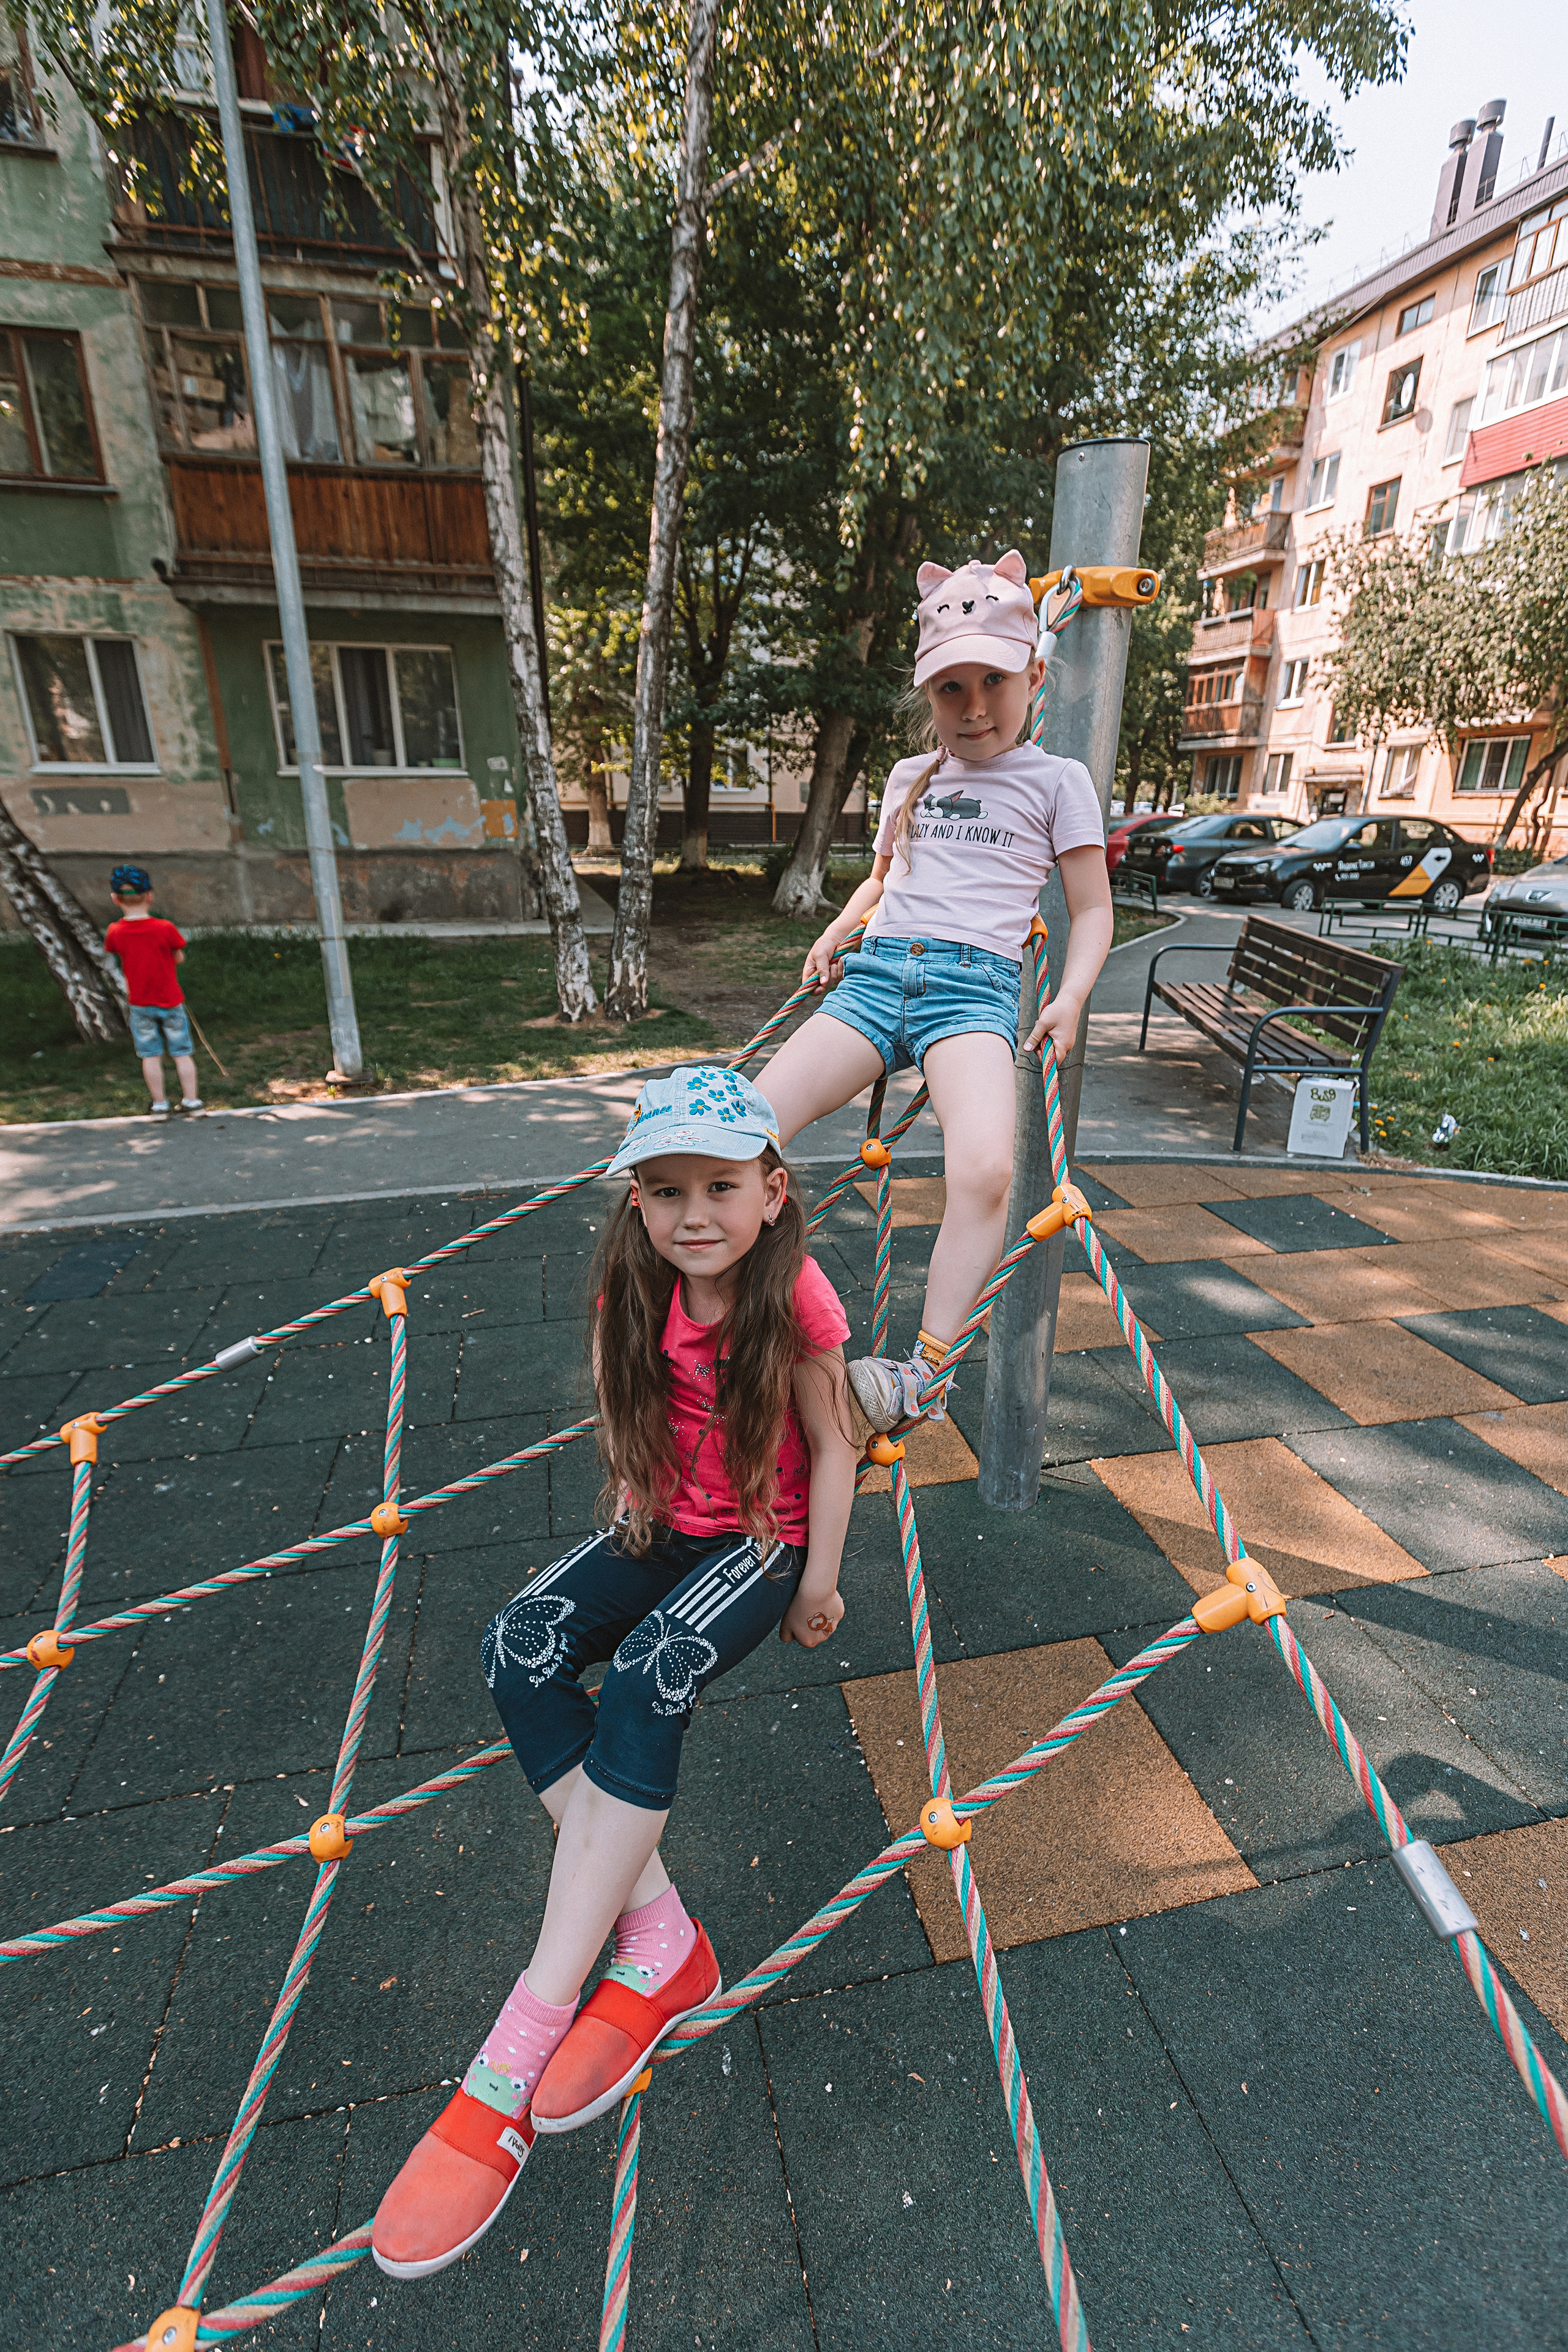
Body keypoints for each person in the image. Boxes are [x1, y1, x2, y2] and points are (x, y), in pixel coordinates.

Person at [371, 1064, 858, 2282]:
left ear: (769, 1189)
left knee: (654, 1668)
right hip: (675, 1518)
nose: (693, 1212)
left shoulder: (793, 1291)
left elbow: (834, 1441)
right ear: (637, 1204)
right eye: (664, 1190)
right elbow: (618, 1390)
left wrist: (818, 1582)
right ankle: (658, 1939)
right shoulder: (633, 1279)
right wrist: (634, 1491)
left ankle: (515, 2045)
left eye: (717, 1186)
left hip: (762, 1534)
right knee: (516, 1643)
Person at [759, 550, 1114, 1431]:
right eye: (950, 689)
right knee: (745, 1128)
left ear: (1034, 675)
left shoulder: (1057, 783)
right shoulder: (910, 779)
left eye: (993, 680)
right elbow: (885, 879)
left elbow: (1093, 909)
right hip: (878, 976)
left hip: (972, 993)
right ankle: (752, 1310)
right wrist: (841, 925)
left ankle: (925, 1372)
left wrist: (1070, 995)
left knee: (988, 1165)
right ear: (928, 695)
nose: (975, 707)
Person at [102, 864, 203, 1116]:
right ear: (150, 896)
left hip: (140, 1003)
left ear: (115, 899)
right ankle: (192, 1101)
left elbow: (115, 952)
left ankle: (159, 1104)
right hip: (170, 1000)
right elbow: (179, 957)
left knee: (150, 1055)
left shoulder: (115, 931)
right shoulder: (165, 928)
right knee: (182, 1053)